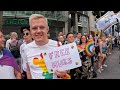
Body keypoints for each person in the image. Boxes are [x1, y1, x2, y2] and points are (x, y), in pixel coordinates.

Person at [24, 14, 70, 79]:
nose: (38, 31)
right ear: (30, 30)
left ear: (47, 29)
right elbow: (28, 70)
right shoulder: (26, 48)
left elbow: (66, 68)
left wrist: (64, 72)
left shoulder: (58, 45)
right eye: (34, 28)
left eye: (42, 27)